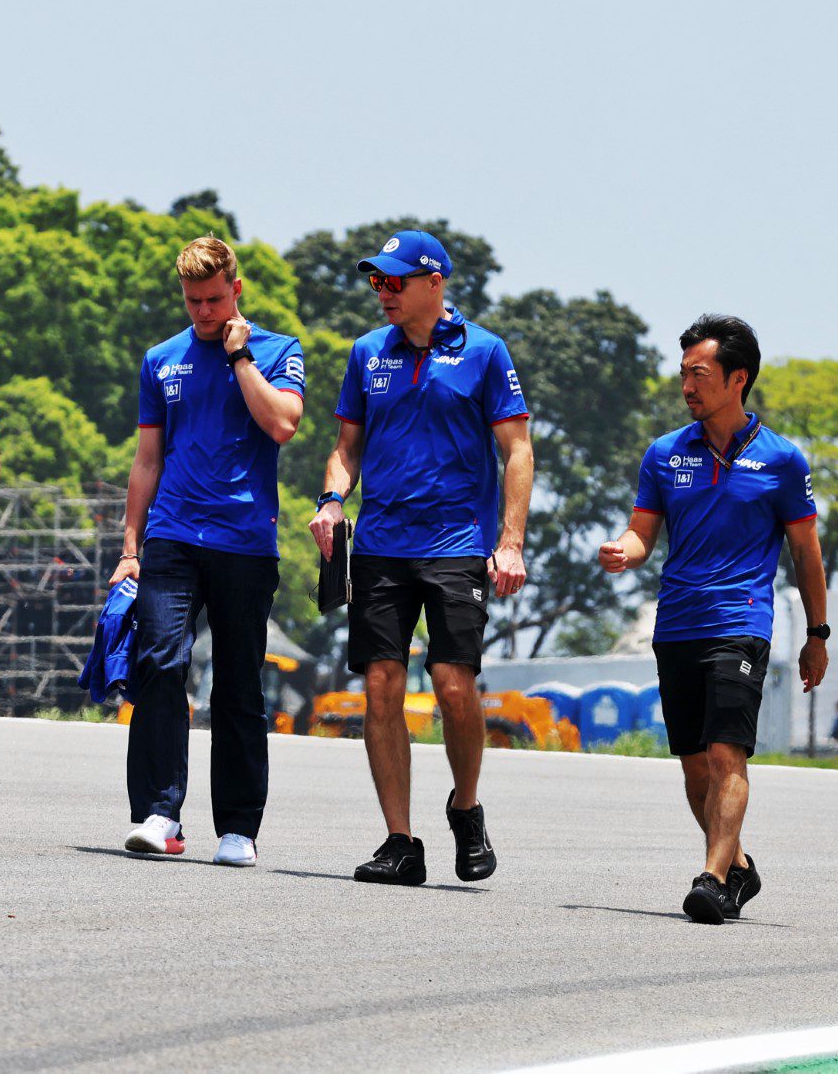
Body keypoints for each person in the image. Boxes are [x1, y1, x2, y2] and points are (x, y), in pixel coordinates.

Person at [309, 230, 532, 886]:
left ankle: (466, 806)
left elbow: (517, 450)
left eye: (395, 280)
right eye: (377, 281)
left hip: (458, 544)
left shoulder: (486, 353)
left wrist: (511, 540)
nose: (383, 291)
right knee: (380, 683)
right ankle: (400, 840)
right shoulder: (366, 354)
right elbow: (346, 447)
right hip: (380, 544)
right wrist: (331, 500)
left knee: (451, 683)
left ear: (434, 282)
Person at [599, 314, 828, 924]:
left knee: (728, 754)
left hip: (742, 620)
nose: (687, 386)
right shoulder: (664, 454)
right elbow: (644, 532)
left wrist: (817, 634)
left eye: (699, 374)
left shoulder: (782, 460)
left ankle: (711, 876)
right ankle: (739, 868)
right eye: (683, 375)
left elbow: (806, 553)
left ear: (737, 379)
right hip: (676, 623)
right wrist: (625, 549)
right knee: (695, 763)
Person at [113, 236, 304, 868]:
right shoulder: (160, 359)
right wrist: (130, 546)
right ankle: (159, 814)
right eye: (194, 301)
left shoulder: (278, 350)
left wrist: (240, 355)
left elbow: (282, 424)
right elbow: (146, 459)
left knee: (239, 686)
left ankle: (239, 828)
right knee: (160, 665)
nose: (203, 312)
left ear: (237, 291)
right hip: (171, 538)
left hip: (246, 543)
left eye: (215, 300)